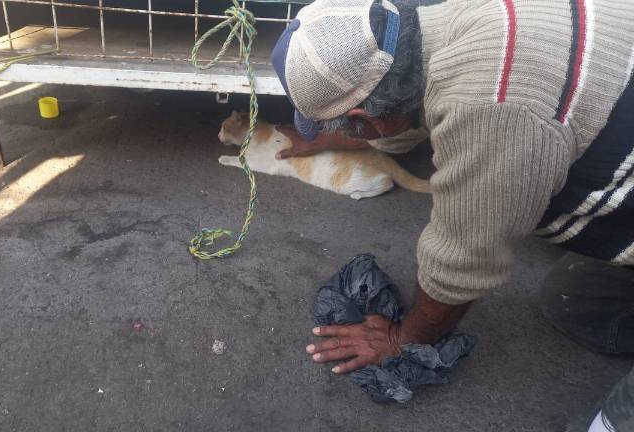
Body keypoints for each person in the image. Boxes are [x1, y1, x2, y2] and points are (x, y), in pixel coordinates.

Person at [270, 0, 634, 430]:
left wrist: (402, 339)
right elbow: (396, 121)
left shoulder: (489, 111)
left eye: (342, 126)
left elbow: (465, 256)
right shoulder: (434, 25)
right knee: (574, 303)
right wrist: (335, 139)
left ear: (368, 119)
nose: (338, 134)